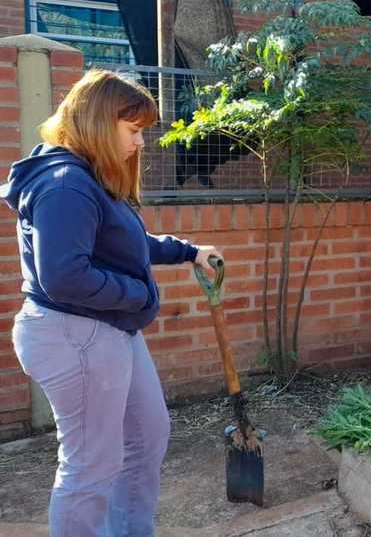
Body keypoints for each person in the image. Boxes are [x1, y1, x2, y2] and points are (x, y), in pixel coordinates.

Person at [2, 69, 222, 536]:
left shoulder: (88, 178)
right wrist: (137, 295)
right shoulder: (65, 184)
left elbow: (127, 242)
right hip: (74, 334)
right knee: (91, 465)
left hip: (108, 329)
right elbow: (63, 276)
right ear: (101, 122)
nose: (141, 143)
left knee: (146, 435)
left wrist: (188, 252)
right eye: (134, 130)